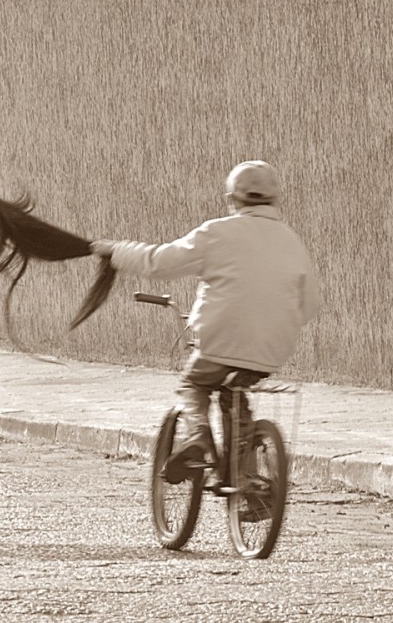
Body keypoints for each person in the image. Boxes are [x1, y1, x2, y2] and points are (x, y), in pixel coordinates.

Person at [91, 160, 323, 466]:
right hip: (271, 351)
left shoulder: (217, 232)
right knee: (235, 395)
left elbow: (160, 262)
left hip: (220, 343)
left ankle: (197, 435)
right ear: (275, 199)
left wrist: (116, 251)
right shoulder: (293, 242)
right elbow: (311, 306)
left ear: (231, 199)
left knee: (194, 383)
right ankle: (249, 487)